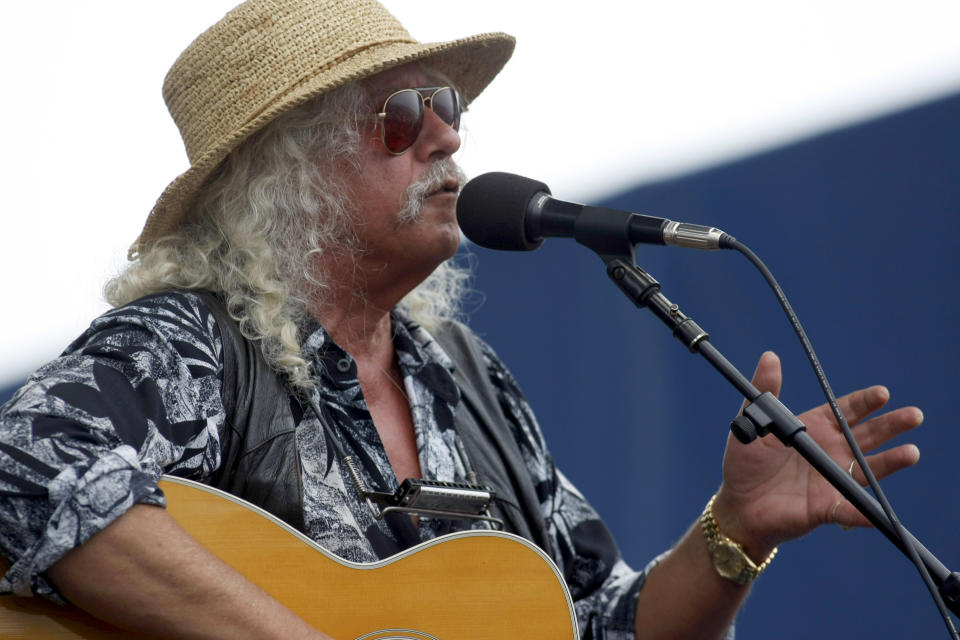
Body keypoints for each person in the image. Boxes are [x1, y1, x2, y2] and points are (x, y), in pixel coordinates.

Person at [0, 1, 923, 638]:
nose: (447, 135)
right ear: (285, 179)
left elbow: (595, 623)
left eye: (446, 106)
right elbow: (24, 464)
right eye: (401, 117)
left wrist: (739, 527)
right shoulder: (193, 346)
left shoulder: (462, 375)